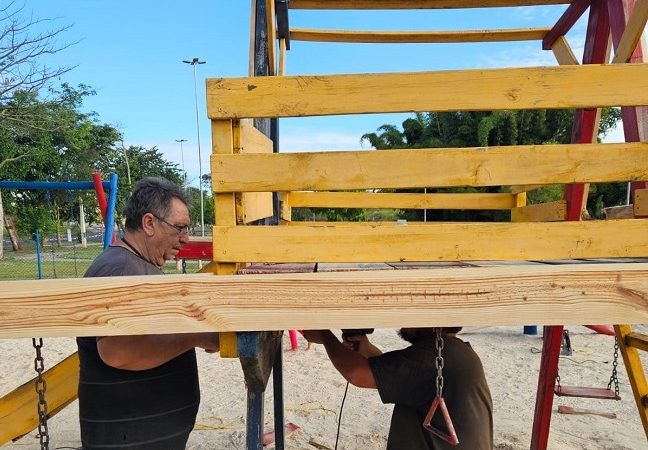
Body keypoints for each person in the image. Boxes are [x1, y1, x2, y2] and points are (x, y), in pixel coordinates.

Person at [76, 177, 219, 450]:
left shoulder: (137, 265)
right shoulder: (119, 269)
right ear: (149, 223)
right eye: (179, 228)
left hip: (138, 435)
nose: (186, 238)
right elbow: (117, 351)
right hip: (126, 437)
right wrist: (195, 336)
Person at [303, 327, 493, 450]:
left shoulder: (434, 356)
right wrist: (365, 347)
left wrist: (324, 335)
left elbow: (356, 373)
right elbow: (399, 374)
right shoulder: (454, 351)